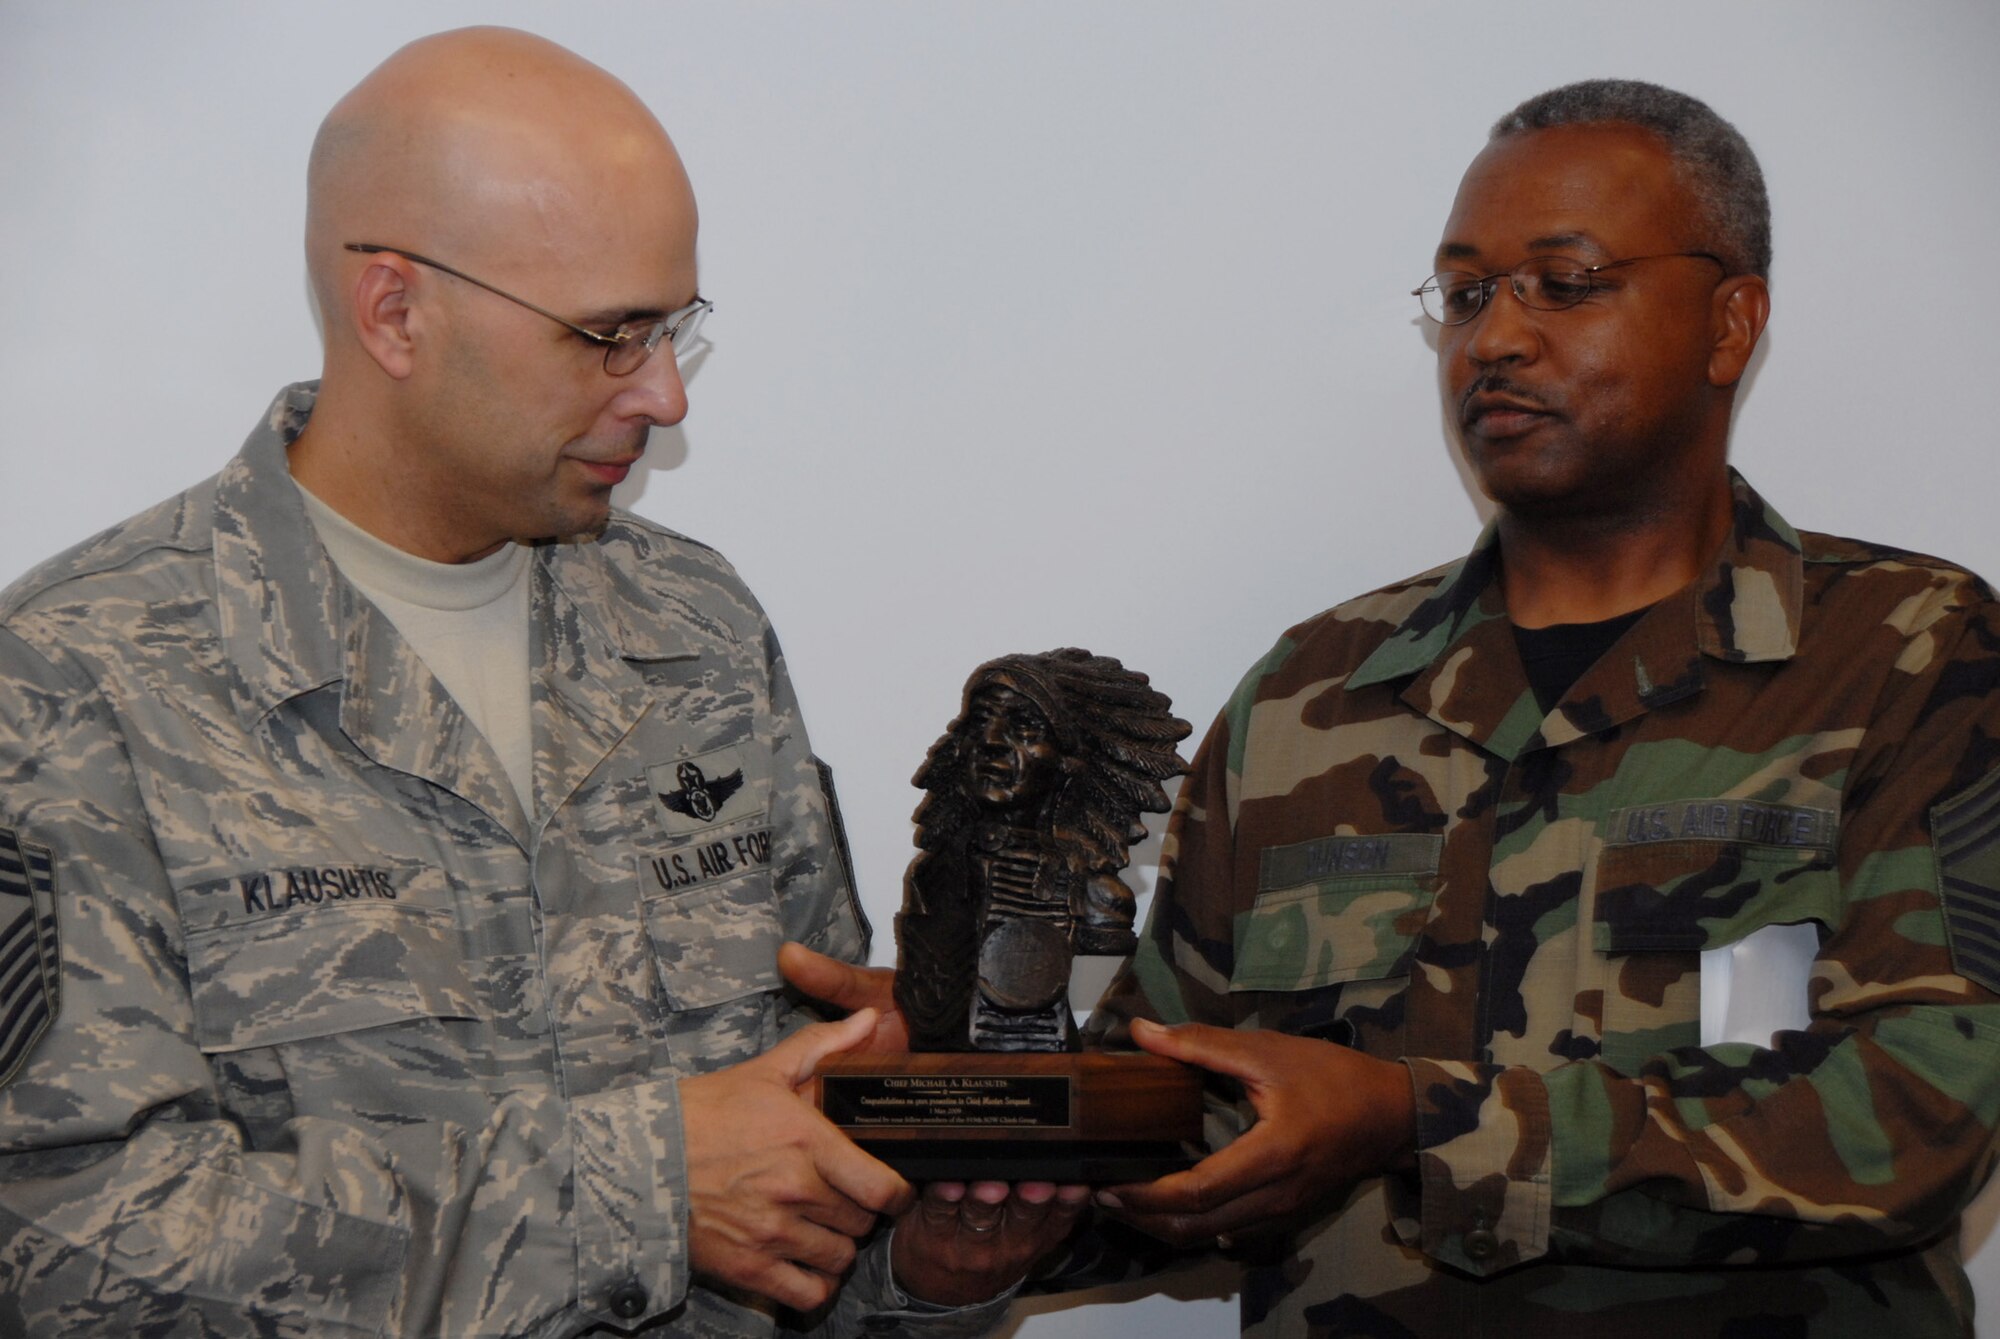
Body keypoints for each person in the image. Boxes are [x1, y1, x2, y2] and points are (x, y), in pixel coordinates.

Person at [782, 79, 2000, 1335]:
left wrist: (1412, 1122)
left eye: (1563, 283)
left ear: (1728, 322)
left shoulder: (1908, 652)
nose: (1496, 338)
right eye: (1464, 294)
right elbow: (1186, 1104)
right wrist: (970, 1103)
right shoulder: (1311, 694)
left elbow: (1922, 1114)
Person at [0, 27, 1075, 1337]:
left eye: (675, 328)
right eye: (610, 336)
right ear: (396, 311)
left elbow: (790, 1162)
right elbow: (59, 1247)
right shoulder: (74, 677)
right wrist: (639, 1193)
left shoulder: (693, 627)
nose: (667, 395)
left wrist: (923, 1264)